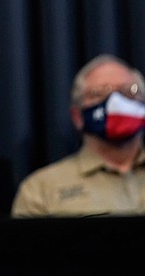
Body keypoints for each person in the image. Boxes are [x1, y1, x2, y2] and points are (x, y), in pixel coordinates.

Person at [11, 54, 145, 217]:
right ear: (77, 116)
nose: (116, 101)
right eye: (98, 93)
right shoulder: (41, 189)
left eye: (129, 91)